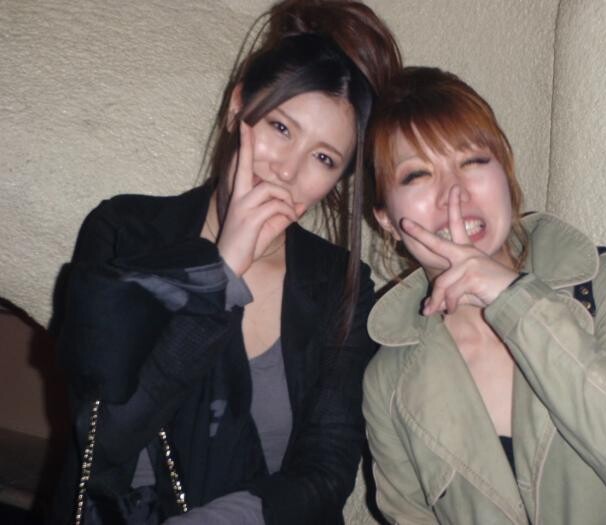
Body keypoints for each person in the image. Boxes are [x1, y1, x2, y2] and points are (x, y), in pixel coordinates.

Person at [52, 1, 402, 524]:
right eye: (281, 128)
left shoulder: (340, 284)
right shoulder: (124, 232)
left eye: (324, 158)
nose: (288, 170)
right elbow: (104, 440)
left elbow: (327, 471)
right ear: (238, 108)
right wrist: (221, 274)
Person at [362, 67, 606, 524]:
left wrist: (513, 299)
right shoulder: (388, 380)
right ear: (385, 218)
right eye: (418, 174)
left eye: (472, 161)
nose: (453, 193)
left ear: (505, 172)